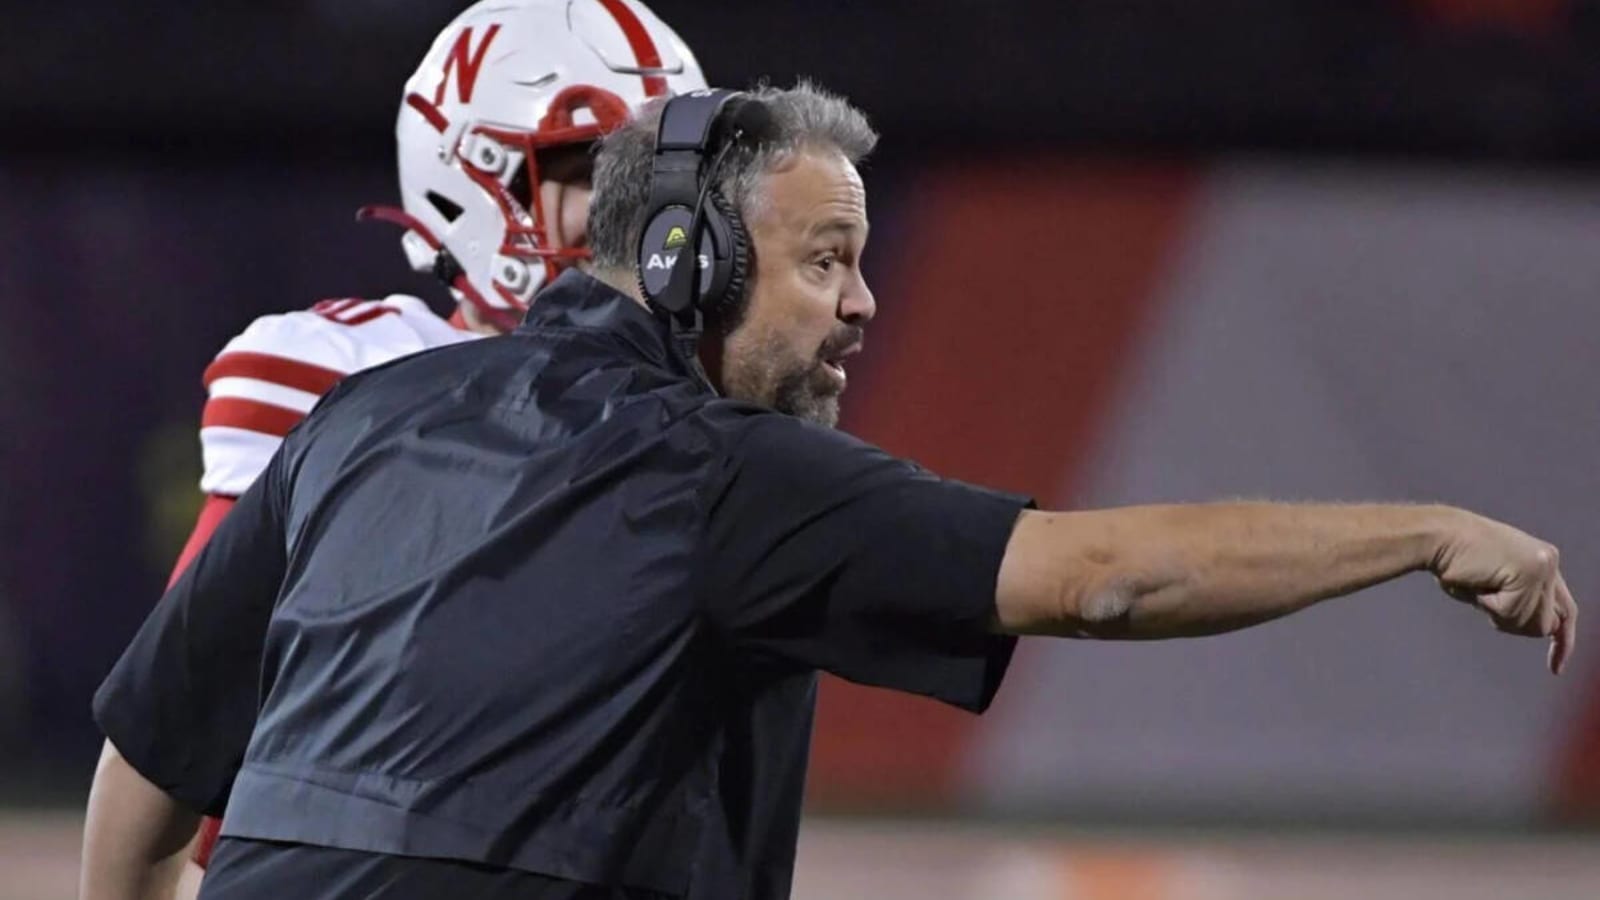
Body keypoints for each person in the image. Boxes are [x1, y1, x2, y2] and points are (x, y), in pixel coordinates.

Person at [83, 82, 1578, 900]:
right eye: (825, 260)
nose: (864, 305)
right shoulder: (721, 476)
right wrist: (1422, 531)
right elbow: (1105, 575)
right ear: (691, 266)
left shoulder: (362, 421)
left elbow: (142, 785)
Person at [81, 1, 707, 897]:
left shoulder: (715, 391)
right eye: (596, 172)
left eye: (665, 179)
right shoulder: (339, 375)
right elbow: (176, 733)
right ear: (472, 182)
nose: (640, 215)